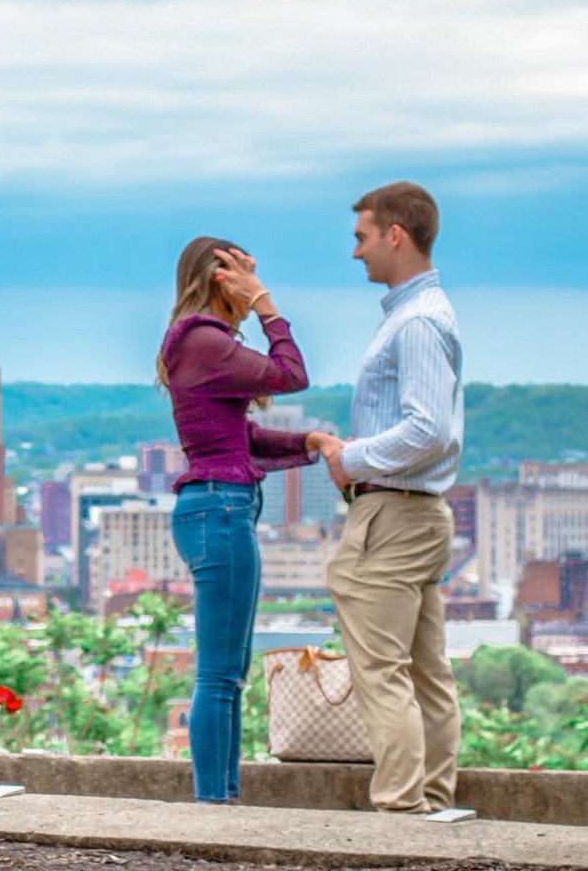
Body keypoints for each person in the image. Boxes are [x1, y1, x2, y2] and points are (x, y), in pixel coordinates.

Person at [158, 236, 326, 804]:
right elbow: (291, 374)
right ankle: (213, 803)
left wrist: (310, 441)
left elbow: (238, 438)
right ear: (222, 278)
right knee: (218, 675)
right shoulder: (204, 341)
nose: (255, 281)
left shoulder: (201, 343)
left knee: (228, 674)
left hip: (219, 506)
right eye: (247, 272)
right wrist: (266, 304)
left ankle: (223, 799)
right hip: (220, 508)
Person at [317, 181, 463, 815]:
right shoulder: (421, 314)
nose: (356, 252)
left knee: (382, 670)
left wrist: (349, 459)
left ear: (395, 235)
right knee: (427, 673)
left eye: (363, 237)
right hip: (416, 511)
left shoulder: (418, 321)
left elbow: (429, 430)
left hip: (395, 513)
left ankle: (403, 808)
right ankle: (431, 802)